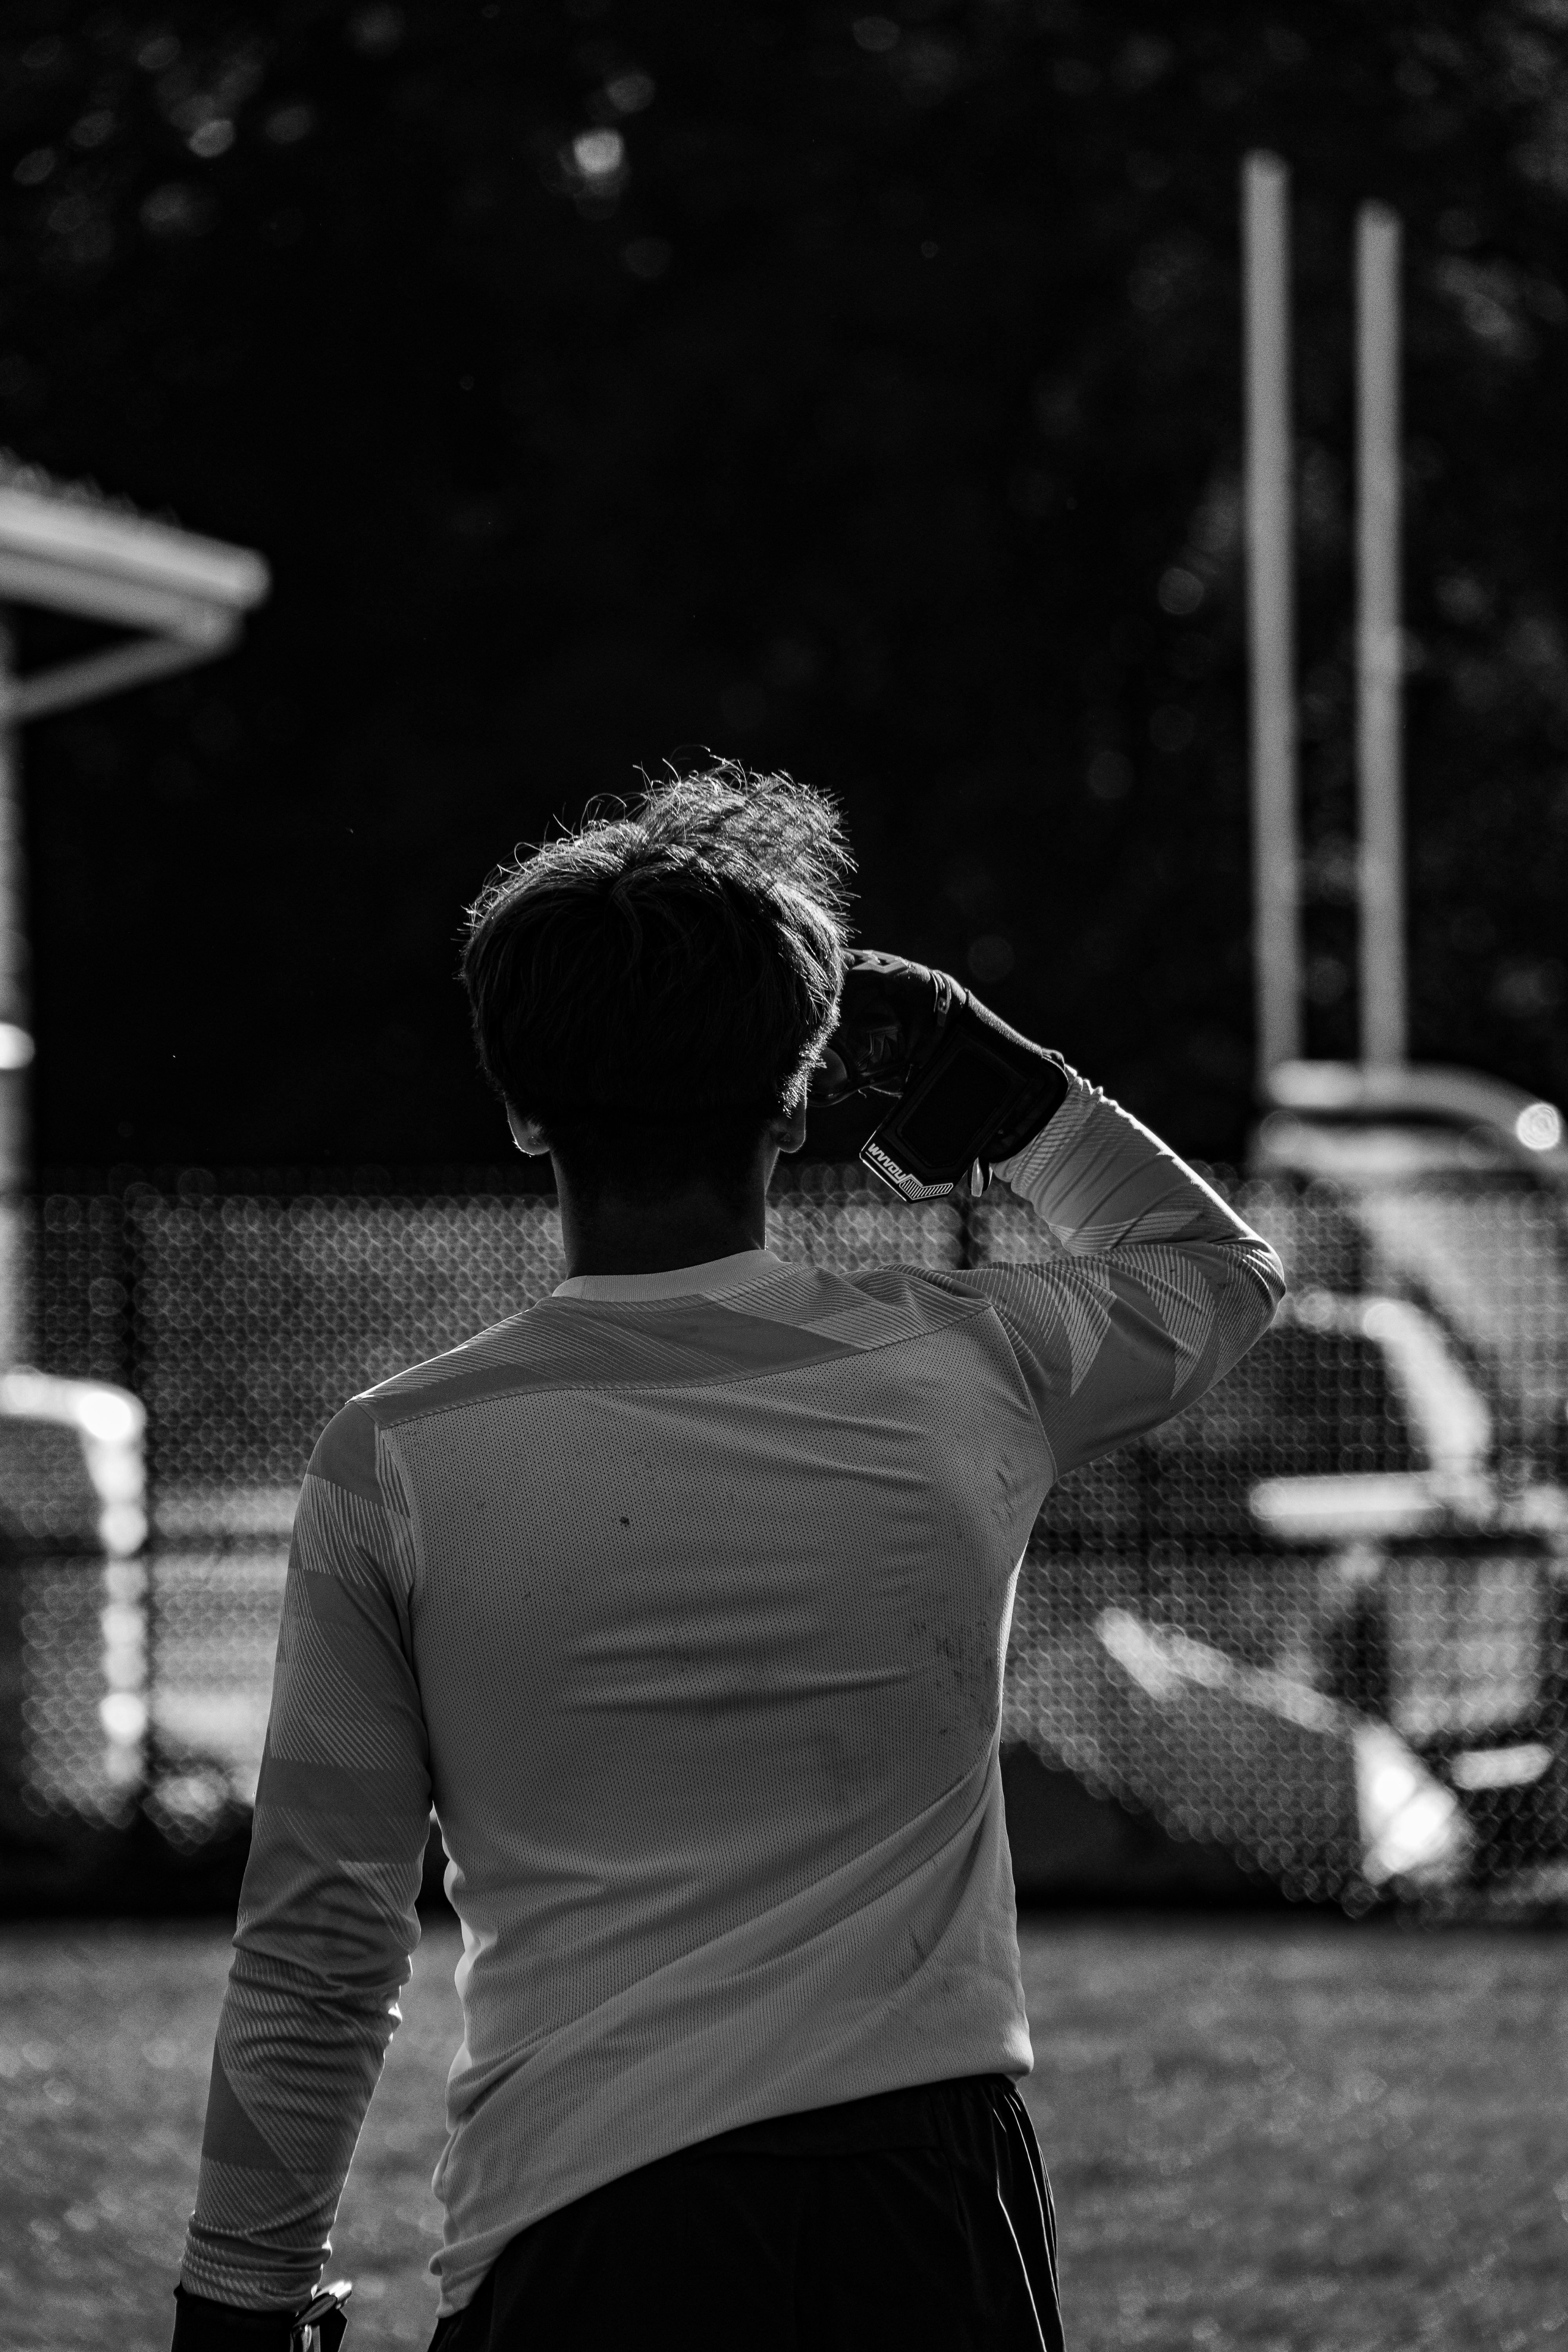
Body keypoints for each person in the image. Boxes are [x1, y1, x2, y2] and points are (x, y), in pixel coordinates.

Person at [170, 763, 1285, 2352]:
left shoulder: (398, 1457)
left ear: (518, 1106)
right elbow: (1218, 1275)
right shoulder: (962, 1370)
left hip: (585, 2217)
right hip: (927, 2199)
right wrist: (1005, 1081)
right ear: (801, 1097)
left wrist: (238, 2295)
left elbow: (326, 1937)